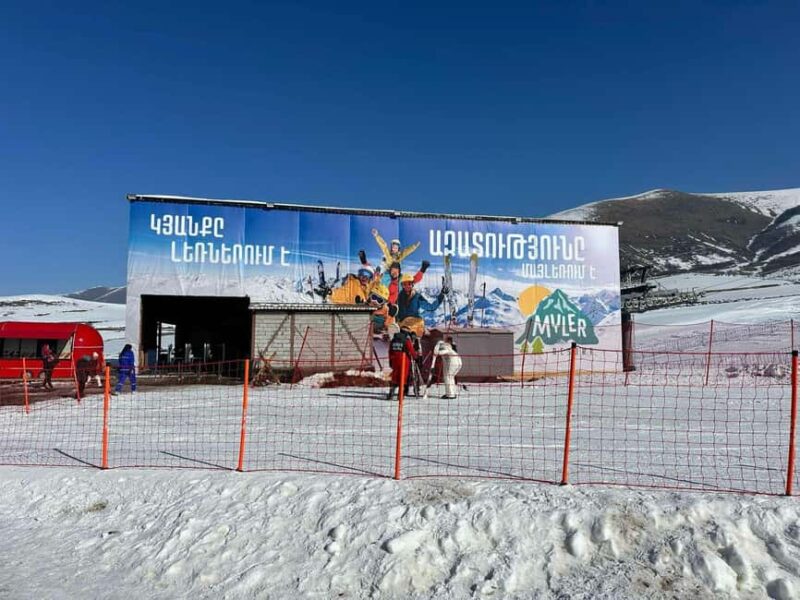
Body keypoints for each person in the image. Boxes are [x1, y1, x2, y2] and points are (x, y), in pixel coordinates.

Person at [386, 329, 419, 400]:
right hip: (404, 361)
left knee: (395, 377)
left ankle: (391, 394)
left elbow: (390, 351)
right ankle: (400, 395)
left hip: (394, 360)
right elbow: (411, 350)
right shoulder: (406, 340)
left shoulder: (393, 340)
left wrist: (390, 361)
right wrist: (415, 357)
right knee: (402, 378)